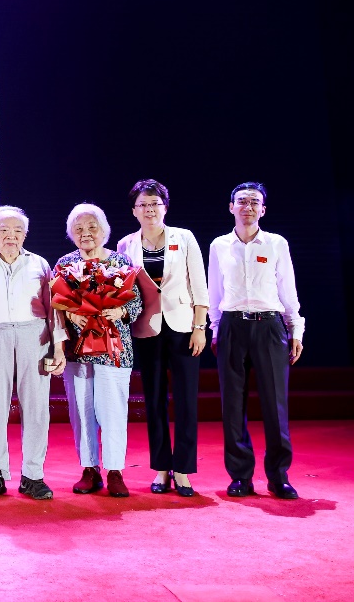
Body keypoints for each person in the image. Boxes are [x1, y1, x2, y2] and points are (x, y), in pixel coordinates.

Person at [208, 182, 305, 500]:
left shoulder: (276, 243)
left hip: (270, 326)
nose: (247, 206)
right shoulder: (219, 245)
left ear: (263, 209)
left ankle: (278, 476)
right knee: (232, 405)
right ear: (231, 207)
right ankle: (240, 476)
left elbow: (288, 289)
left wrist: (295, 329)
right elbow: (214, 291)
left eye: (254, 202)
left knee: (275, 405)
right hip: (232, 326)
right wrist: (215, 329)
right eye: (241, 201)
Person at [0, 205, 65, 500]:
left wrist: (59, 347)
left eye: (18, 230)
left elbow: (54, 310)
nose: (11, 236)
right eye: (4, 230)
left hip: (35, 336)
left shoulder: (40, 265)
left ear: (25, 234)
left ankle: (33, 475)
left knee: (37, 407)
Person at [116, 179, 209, 498]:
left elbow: (199, 284)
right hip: (146, 328)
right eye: (142, 204)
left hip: (183, 326)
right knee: (153, 400)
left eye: (154, 203)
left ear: (165, 207)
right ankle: (160, 468)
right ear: (134, 211)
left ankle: (182, 469)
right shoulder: (125, 245)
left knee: (186, 400)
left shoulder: (184, 237)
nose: (149, 209)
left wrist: (200, 326)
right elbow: (125, 290)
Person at [57, 203, 142, 498]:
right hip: (77, 350)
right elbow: (55, 304)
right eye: (78, 229)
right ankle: (89, 469)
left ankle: (115, 471)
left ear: (104, 230)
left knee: (113, 409)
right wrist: (69, 313)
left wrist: (121, 312)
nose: (86, 233)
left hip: (114, 349)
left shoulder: (120, 261)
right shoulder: (64, 264)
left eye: (92, 227)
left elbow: (137, 302)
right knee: (81, 410)